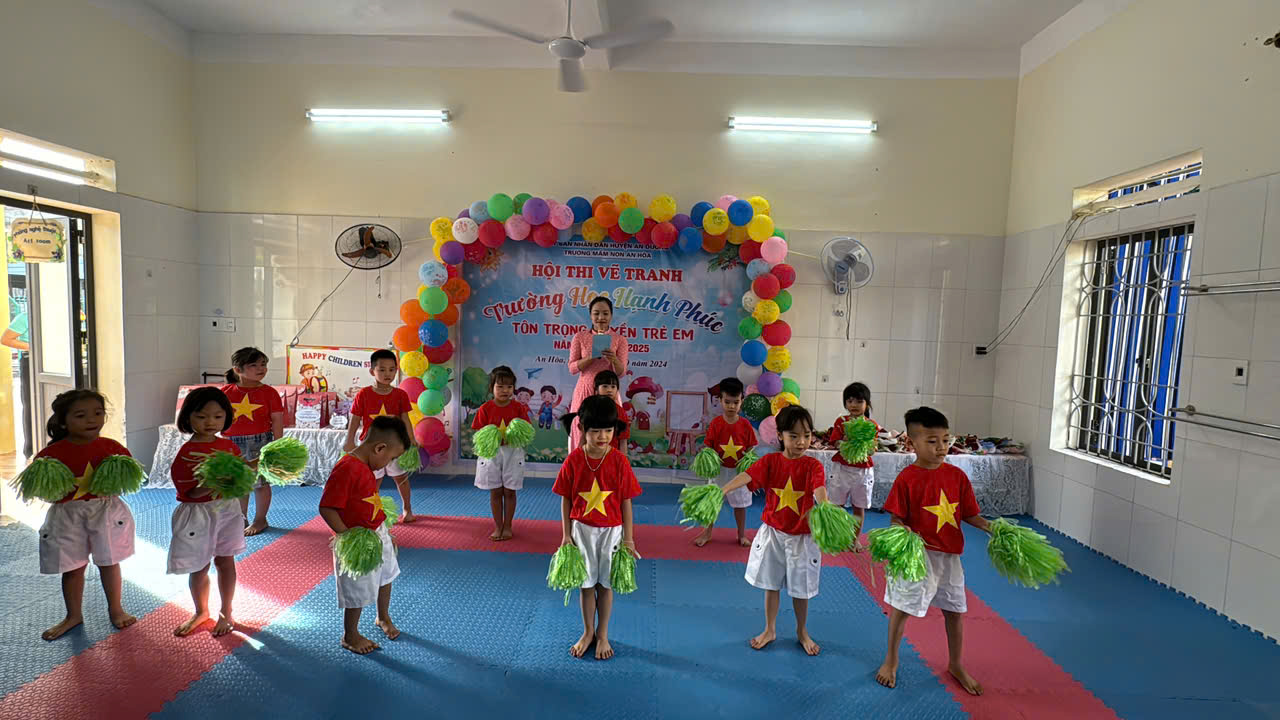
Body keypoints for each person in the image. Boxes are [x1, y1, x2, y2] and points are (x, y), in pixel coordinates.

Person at [876, 406, 989, 696]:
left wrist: (994, 529)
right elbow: (896, 519)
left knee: (955, 610)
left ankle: (956, 664)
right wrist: (903, 533)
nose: (941, 447)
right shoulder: (907, 478)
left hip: (950, 557)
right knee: (902, 609)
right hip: (917, 557)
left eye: (945, 440)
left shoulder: (957, 476)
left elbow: (970, 514)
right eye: (932, 441)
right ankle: (891, 660)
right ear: (912, 442)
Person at [29, 390, 137, 641]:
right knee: (72, 568)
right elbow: (43, 491)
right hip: (67, 516)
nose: (92, 420)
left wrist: (114, 484)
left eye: (98, 413)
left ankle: (116, 609)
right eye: (81, 415)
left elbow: (128, 482)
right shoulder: (50, 456)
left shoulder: (112, 448)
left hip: (105, 512)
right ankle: (73, 615)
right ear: (63, 421)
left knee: (109, 562)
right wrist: (54, 491)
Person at [720, 405, 827, 656]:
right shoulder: (770, 461)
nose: (801, 442)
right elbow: (747, 476)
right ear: (780, 435)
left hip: (802, 537)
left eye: (807, 435)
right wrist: (722, 490)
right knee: (771, 585)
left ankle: (802, 631)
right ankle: (770, 629)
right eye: (794, 436)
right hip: (773, 534)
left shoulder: (813, 465)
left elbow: (819, 489)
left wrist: (826, 506)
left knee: (801, 589)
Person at [555, 396, 641, 661]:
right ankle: (588, 632)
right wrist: (566, 535)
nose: (603, 437)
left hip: (611, 532)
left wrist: (629, 539)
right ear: (582, 429)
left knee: (605, 585)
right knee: (585, 585)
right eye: (596, 431)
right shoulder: (573, 460)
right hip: (581, 531)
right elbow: (565, 499)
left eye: (608, 430)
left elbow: (626, 501)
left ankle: (603, 634)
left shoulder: (619, 461)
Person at [318, 416, 410, 655]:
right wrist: (347, 538)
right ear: (379, 448)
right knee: (356, 589)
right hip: (358, 540)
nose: (389, 464)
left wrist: (383, 530)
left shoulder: (367, 466)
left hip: (377, 532)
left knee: (386, 575)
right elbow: (326, 507)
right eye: (390, 458)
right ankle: (350, 635)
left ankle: (382, 617)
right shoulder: (347, 468)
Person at [168, 387, 244, 637]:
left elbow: (240, 480)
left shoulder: (229, 446)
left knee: (225, 561)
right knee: (199, 566)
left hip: (227, 511)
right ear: (187, 417)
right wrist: (213, 482)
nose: (210, 422)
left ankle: (226, 611)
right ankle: (201, 611)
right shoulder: (186, 453)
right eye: (201, 417)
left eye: (218, 416)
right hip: (197, 514)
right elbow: (190, 493)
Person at [345, 349, 416, 522]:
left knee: (401, 478)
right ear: (372, 371)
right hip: (370, 447)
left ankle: (407, 509)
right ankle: (371, 512)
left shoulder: (400, 394)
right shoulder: (363, 394)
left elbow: (405, 419)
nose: (387, 374)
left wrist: (411, 439)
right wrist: (349, 440)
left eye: (391, 369)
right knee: (372, 481)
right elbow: (355, 419)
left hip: (394, 446)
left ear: (396, 370)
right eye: (382, 370)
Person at [221, 347, 284, 536]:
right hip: (232, 443)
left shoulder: (269, 392)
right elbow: (217, 417)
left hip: (261, 442)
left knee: (261, 483)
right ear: (237, 369)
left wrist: (277, 446)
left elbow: (277, 419)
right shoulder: (226, 392)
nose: (261, 369)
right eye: (254, 365)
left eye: (263, 364)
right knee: (239, 484)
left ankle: (260, 519)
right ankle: (241, 518)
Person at [694, 377, 757, 548]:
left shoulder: (745, 425)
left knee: (740, 505)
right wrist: (707, 459)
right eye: (727, 402)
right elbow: (708, 446)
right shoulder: (716, 423)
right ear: (720, 400)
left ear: (741, 401)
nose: (731, 406)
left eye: (735, 402)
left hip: (739, 473)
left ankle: (741, 534)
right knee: (713, 501)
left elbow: (751, 447)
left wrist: (748, 461)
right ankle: (707, 532)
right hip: (719, 471)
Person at [471, 366, 530, 541]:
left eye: (509, 387)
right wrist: (489, 437)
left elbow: (526, 429)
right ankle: (498, 526)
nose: (505, 390)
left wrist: (518, 435)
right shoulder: (485, 408)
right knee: (495, 491)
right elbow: (478, 432)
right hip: (492, 454)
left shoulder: (518, 408)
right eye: (500, 386)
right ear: (492, 388)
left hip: (513, 453)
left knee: (510, 491)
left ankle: (508, 525)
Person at [566, 296, 628, 451]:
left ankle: (609, 464)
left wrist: (613, 359)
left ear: (611, 315)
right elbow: (572, 368)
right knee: (581, 430)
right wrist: (590, 357)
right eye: (596, 313)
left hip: (609, 392)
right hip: (585, 391)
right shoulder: (580, 337)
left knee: (608, 431)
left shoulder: (619, 339)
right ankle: (579, 462)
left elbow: (621, 373)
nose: (601, 317)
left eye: (605, 313)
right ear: (590, 315)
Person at [825, 382, 880, 537]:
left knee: (859, 507)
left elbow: (872, 449)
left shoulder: (871, 425)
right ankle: (837, 537)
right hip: (842, 469)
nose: (854, 405)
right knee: (836, 506)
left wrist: (868, 446)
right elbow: (834, 442)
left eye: (859, 401)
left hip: (863, 472)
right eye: (850, 401)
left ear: (867, 404)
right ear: (845, 403)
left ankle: (855, 539)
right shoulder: (841, 421)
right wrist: (844, 441)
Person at [2, 306, 32, 458]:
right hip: (30, 361)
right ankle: (30, 450)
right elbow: (5, 339)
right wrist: (35, 347)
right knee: (30, 405)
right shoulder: (25, 316)